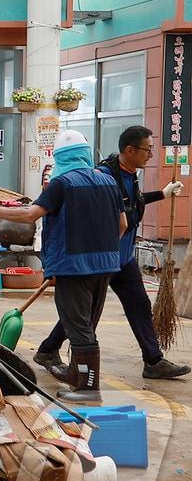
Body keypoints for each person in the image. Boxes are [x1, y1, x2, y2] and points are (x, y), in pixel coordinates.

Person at [0, 130, 126, 402]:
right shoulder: (108, 182)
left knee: (78, 326)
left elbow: (31, 214)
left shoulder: (62, 183)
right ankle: (78, 376)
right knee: (87, 323)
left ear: (60, 157)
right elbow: (122, 225)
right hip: (106, 265)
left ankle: (88, 388)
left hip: (72, 265)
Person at [32, 126, 190, 379]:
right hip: (101, 257)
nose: (150, 155)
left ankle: (153, 360)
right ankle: (53, 353)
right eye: (147, 150)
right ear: (130, 150)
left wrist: (162, 193)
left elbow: (132, 203)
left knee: (138, 305)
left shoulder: (129, 175)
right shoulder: (104, 176)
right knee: (81, 313)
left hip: (122, 258)